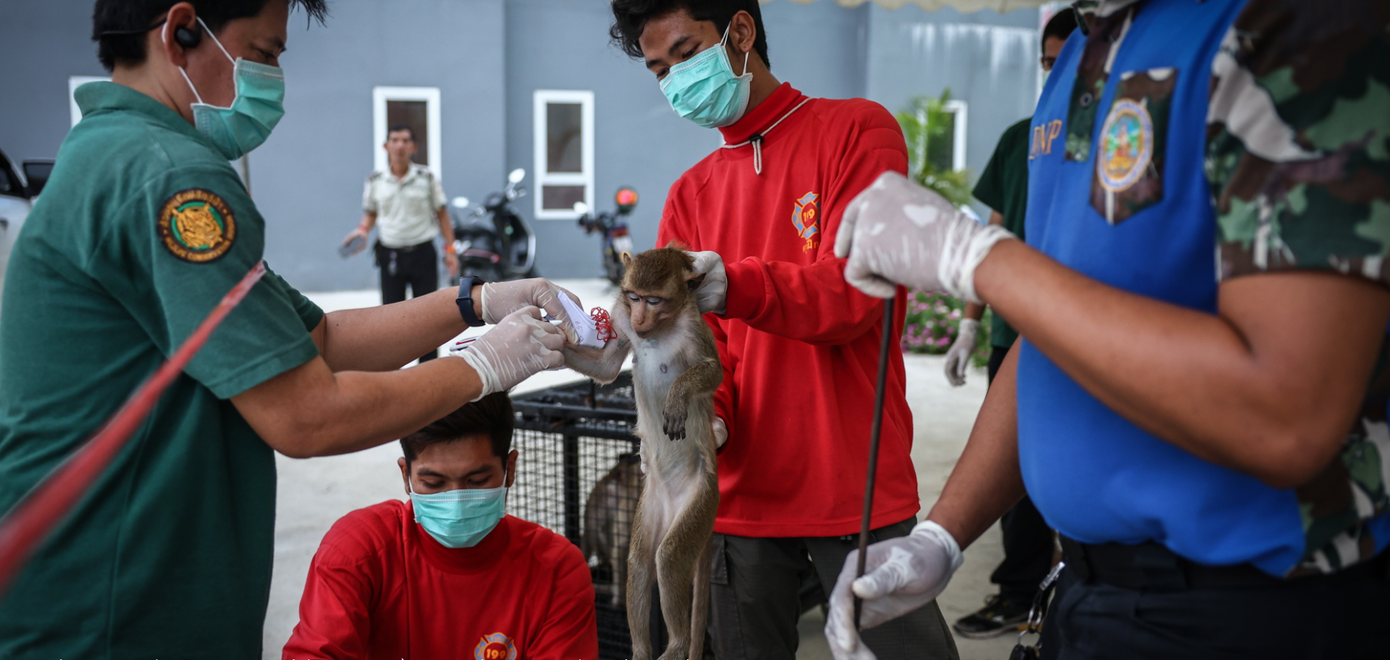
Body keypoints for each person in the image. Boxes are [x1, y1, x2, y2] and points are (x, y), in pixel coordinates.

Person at [0, 2, 580, 657]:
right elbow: (308, 416)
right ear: (180, 31)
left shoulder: (114, 154)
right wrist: (487, 366)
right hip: (115, 610)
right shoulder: (171, 178)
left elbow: (318, 339)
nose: (275, 81)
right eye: (266, 52)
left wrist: (479, 303)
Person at [826, 1, 1390, 659]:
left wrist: (978, 258)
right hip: (1091, 594)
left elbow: (1287, 413)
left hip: (1252, 606)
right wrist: (941, 537)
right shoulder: (1080, 53)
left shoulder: (1295, 26)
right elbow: (1055, 329)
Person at [606, 1, 957, 657]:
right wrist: (710, 417)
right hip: (739, 500)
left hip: (852, 486)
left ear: (740, 32)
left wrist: (738, 284)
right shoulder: (691, 194)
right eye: (659, 69)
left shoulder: (857, 131)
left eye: (686, 53)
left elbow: (860, 292)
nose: (676, 78)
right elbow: (702, 350)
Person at [282, 392, 599, 659]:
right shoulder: (358, 551)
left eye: (476, 480)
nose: (457, 501)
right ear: (406, 476)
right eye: (433, 483)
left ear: (509, 469)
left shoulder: (556, 570)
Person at [943, 9, 1076, 641]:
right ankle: (1021, 588)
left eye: (1067, 60)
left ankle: (1051, 578)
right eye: (1048, 62)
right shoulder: (1028, 137)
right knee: (1027, 475)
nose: (1057, 73)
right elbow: (996, 232)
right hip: (1023, 332)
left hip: (1079, 332)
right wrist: (941, 536)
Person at [342, 124, 458, 363]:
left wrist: (450, 249)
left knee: (428, 317)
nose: (399, 146)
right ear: (386, 146)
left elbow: (442, 214)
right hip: (391, 254)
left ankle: (428, 372)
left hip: (422, 253)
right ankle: (393, 370)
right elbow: (371, 212)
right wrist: (363, 230)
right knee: (391, 319)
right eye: (394, 140)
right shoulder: (375, 180)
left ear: (413, 147)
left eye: (405, 141)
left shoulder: (426, 178)